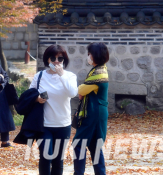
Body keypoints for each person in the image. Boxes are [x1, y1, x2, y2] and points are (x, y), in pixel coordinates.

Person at [31, 45, 78, 175]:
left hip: (63, 124)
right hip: (43, 125)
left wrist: (62, 75)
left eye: (60, 58)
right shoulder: (39, 76)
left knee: (58, 160)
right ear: (47, 60)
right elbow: (29, 95)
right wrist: (37, 99)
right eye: (53, 58)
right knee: (46, 157)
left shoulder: (70, 76)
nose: (56, 61)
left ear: (64, 60)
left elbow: (73, 93)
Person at [73, 42, 110, 175]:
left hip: (93, 113)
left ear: (96, 55)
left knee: (78, 144)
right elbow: (83, 91)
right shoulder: (100, 69)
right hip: (97, 112)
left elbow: (81, 90)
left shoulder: (98, 73)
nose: (88, 57)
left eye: (89, 54)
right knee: (95, 147)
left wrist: (82, 92)